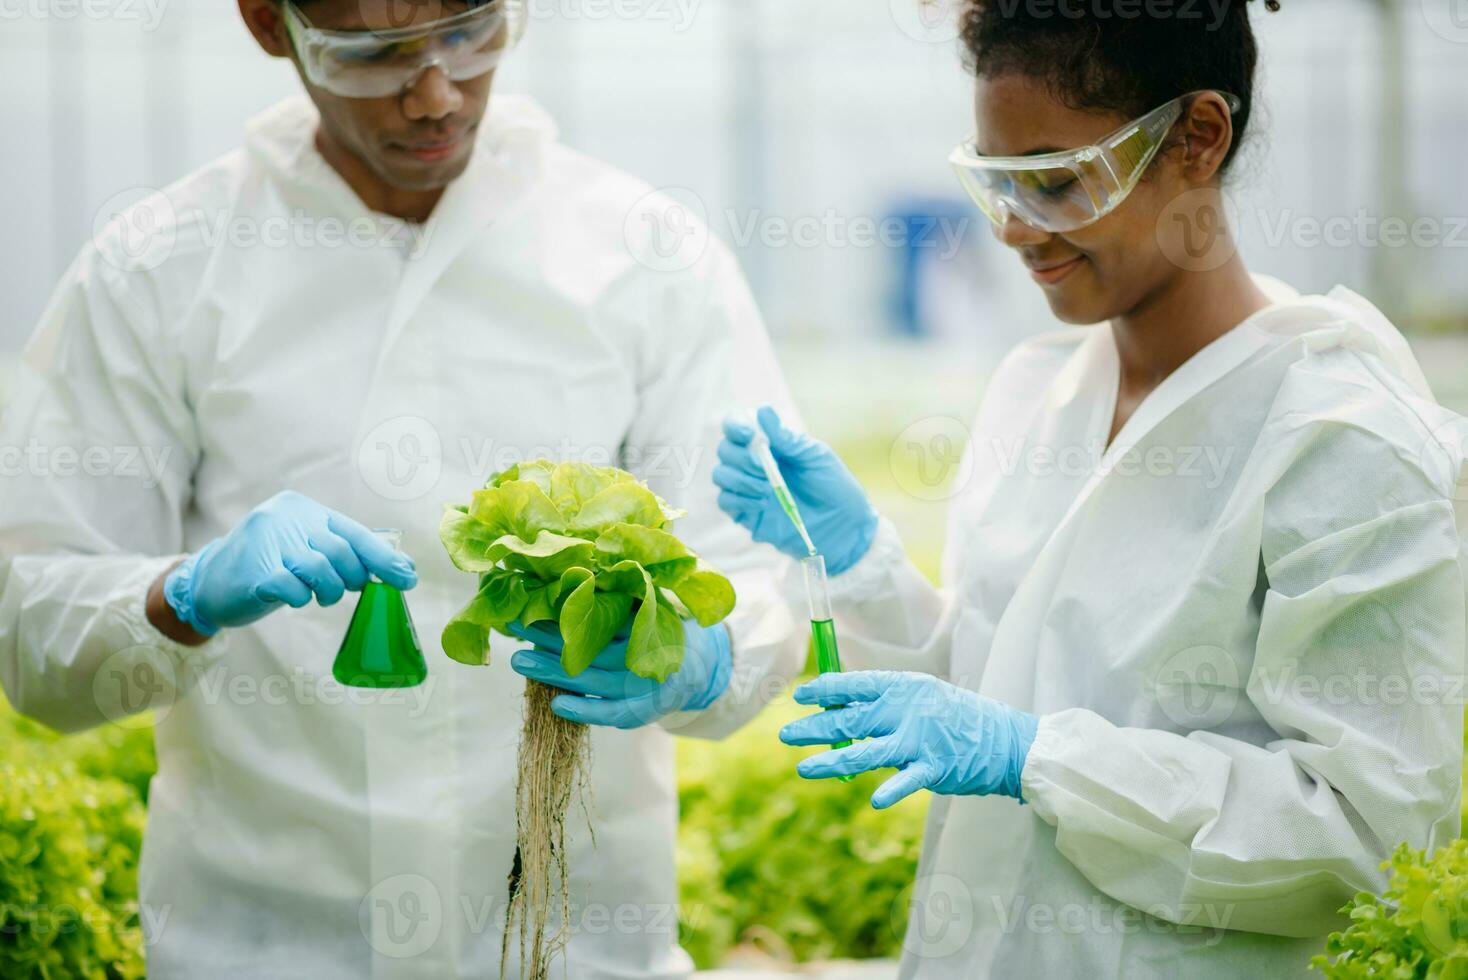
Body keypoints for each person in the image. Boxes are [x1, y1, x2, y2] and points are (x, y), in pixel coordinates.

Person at [0, 1, 804, 977]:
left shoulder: (642, 256)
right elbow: (30, 630)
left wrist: (708, 655)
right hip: (263, 945)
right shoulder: (157, 269)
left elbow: (769, 574)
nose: (434, 94)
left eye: (470, 32)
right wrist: (179, 594)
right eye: (372, 53)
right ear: (269, 24)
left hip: (571, 944)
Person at [716, 2, 1468, 977]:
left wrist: (1039, 758)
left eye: (1060, 182)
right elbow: (999, 680)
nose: (1016, 231)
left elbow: (1367, 830)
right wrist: (860, 566)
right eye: (995, 185)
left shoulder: (1337, 439)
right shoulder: (1038, 386)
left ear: (1198, 136)